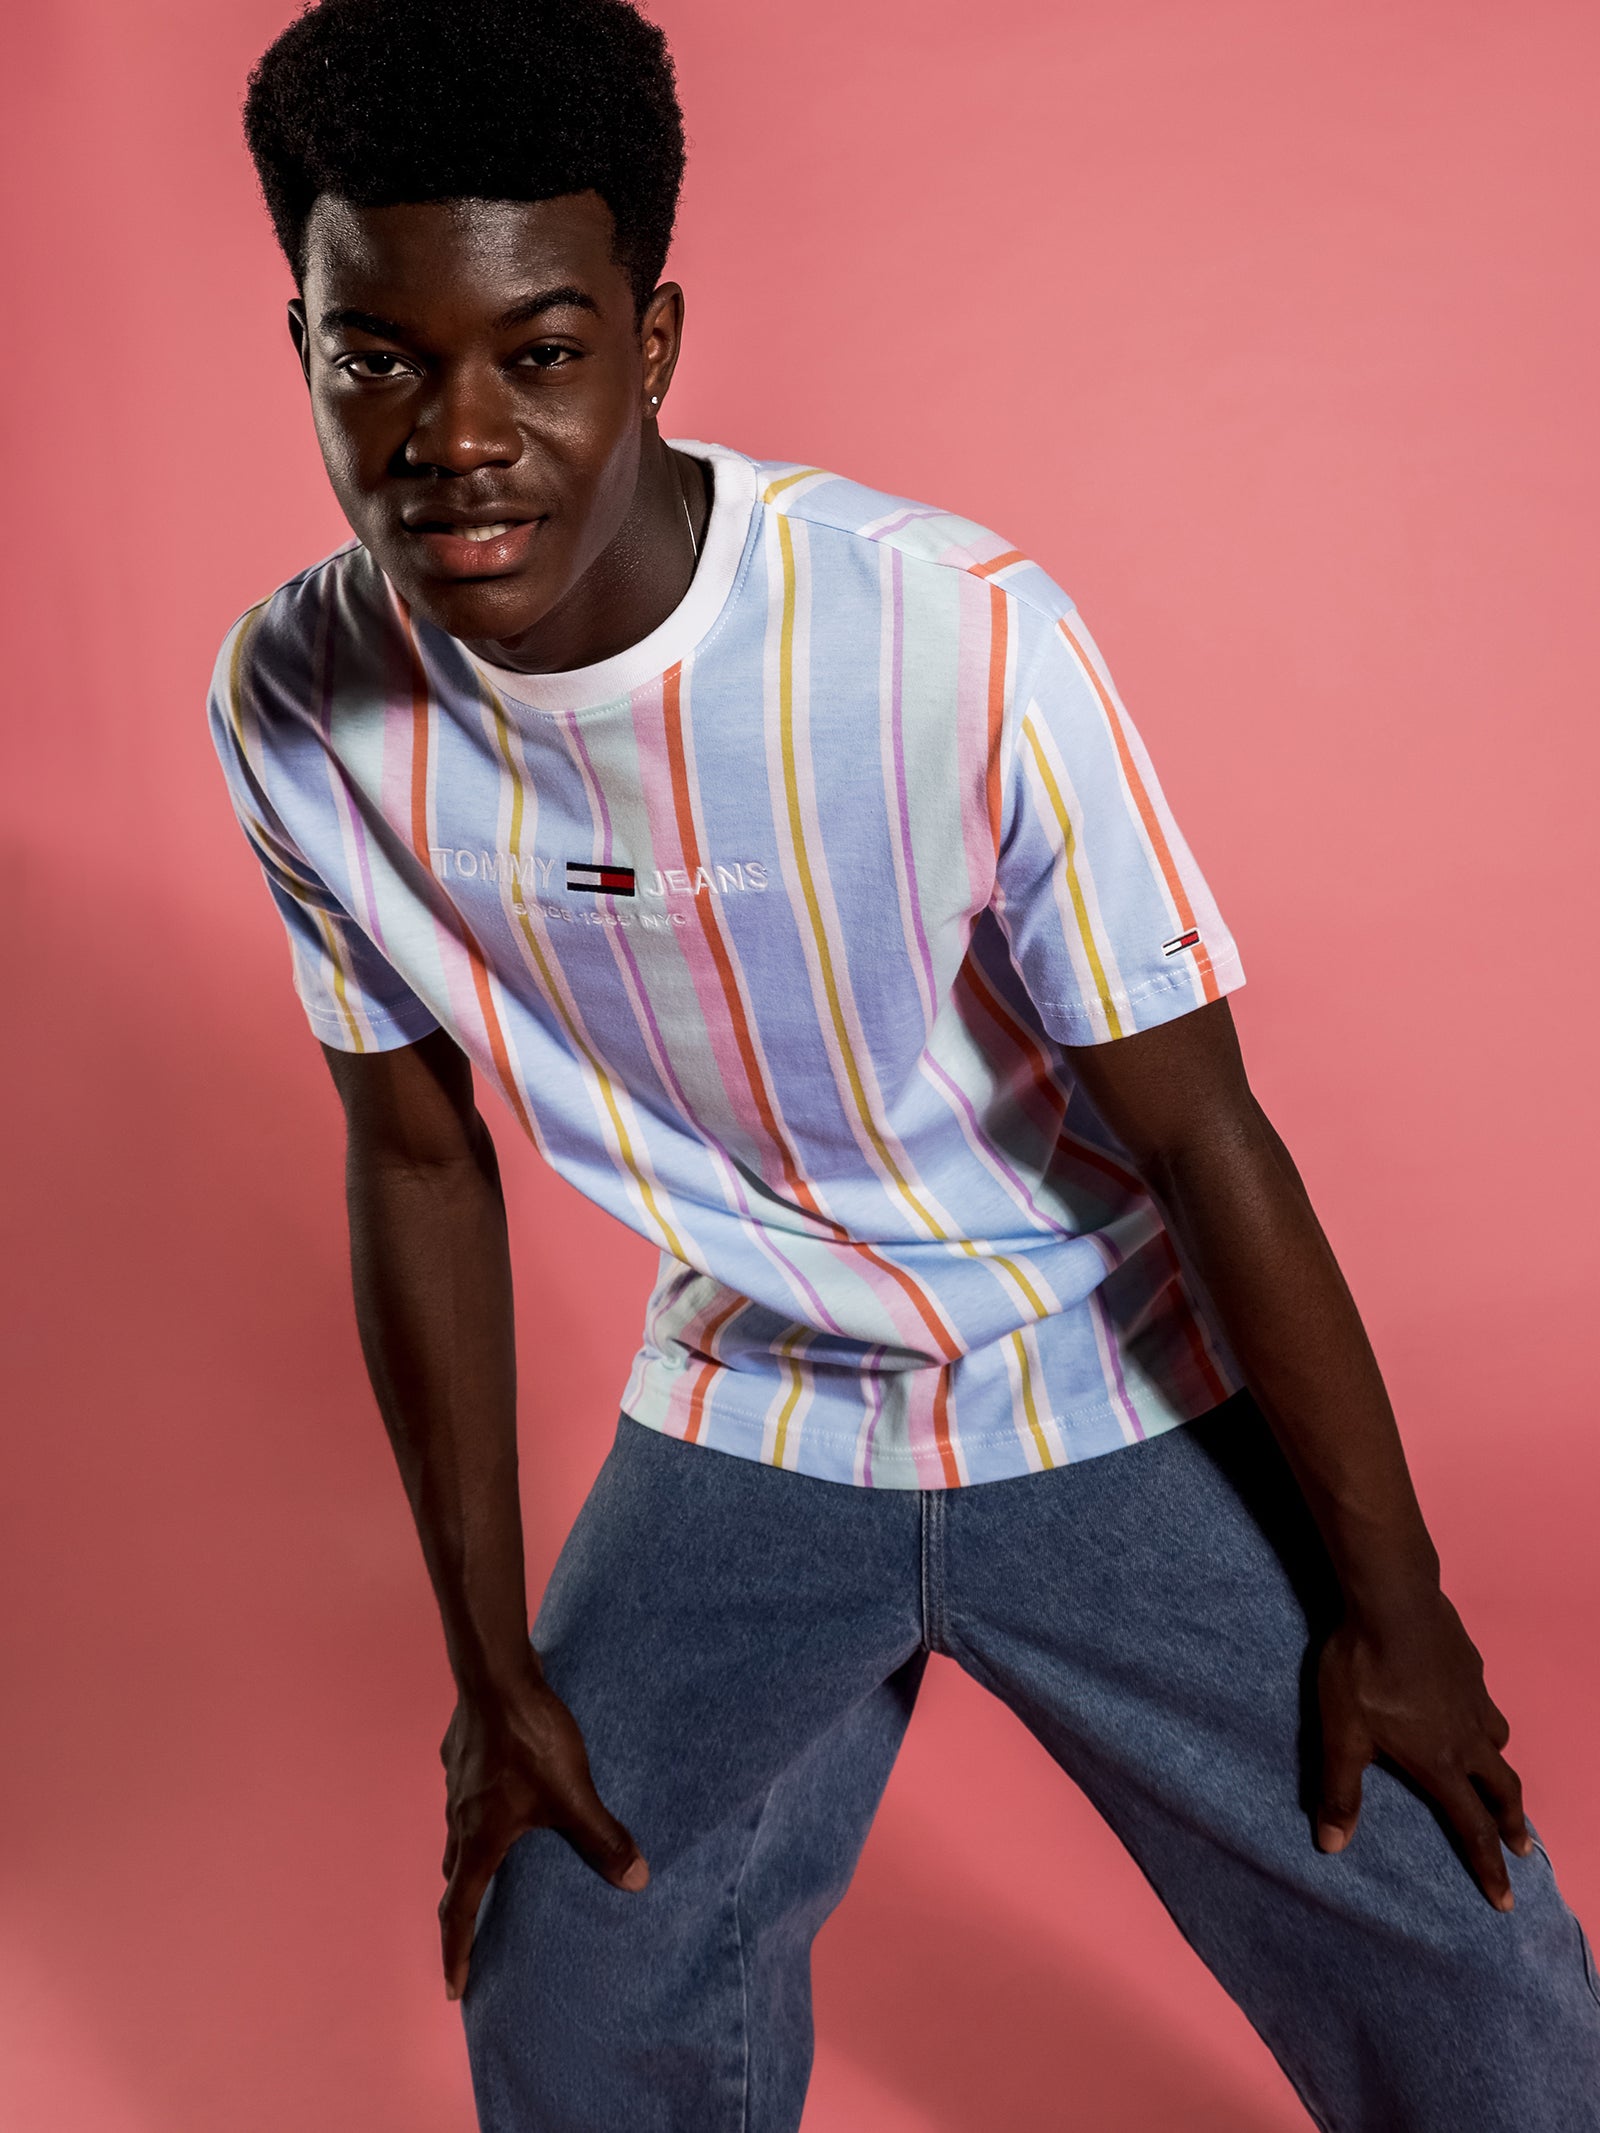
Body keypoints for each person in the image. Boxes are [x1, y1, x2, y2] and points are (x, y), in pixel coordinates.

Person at [213, 1, 1600, 2125]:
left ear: (651, 341)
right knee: (563, 1964)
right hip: (754, 1404)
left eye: (539, 351)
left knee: (1481, 1988)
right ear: (303, 344)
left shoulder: (945, 627)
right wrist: (492, 1674)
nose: (456, 432)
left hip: (1096, 1377)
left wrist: (1391, 1600)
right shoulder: (294, 696)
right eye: (377, 358)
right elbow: (413, 1161)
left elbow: (1203, 1130)